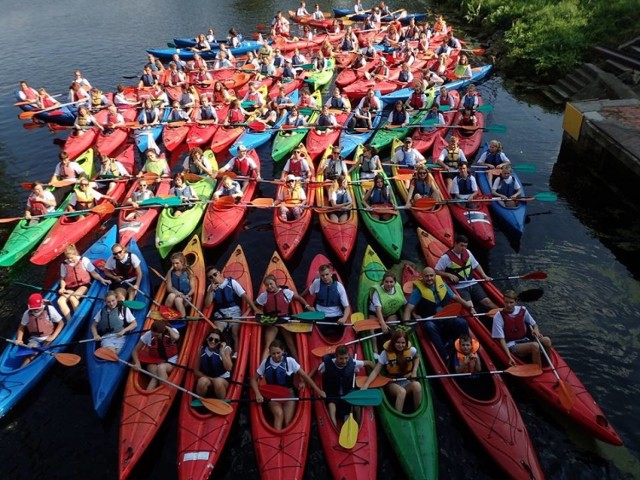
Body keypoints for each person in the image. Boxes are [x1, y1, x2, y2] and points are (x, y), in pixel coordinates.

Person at [251, 339, 325, 430]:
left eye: (278, 352)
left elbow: (305, 376)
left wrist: (318, 390)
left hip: (288, 393)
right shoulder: (266, 362)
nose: (276, 356)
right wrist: (257, 394)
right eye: (273, 353)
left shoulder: (290, 361)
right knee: (279, 414)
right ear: (269, 352)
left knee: (287, 422)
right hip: (272, 394)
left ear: (283, 351)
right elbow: (253, 380)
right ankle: (276, 438)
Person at [403, 266, 471, 361]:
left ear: (435, 276)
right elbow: (408, 309)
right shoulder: (417, 291)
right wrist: (406, 324)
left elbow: (455, 297)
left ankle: (463, 347)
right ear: (422, 277)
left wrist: (469, 306)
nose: (429, 278)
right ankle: (445, 355)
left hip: (446, 317)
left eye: (431, 276)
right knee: (429, 326)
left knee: (462, 322)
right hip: (432, 320)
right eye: (426, 276)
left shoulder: (442, 284)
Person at [310, 345, 374, 427]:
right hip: (332, 393)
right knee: (331, 406)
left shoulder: (353, 362)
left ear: (348, 356)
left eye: (346, 358)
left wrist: (378, 374)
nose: (344, 361)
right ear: (336, 356)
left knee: (357, 407)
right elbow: (316, 369)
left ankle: (359, 427)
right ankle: (334, 428)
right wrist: (306, 381)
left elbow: (369, 363)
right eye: (341, 358)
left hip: (348, 393)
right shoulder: (328, 364)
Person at [361, 330, 422, 412]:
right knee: (402, 392)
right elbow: (375, 371)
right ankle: (398, 416)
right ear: (393, 342)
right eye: (398, 342)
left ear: (406, 343)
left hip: (406, 380)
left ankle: (418, 410)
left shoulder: (411, 350)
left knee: (417, 385)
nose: (401, 345)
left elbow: (417, 358)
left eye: (403, 343)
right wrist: (366, 384)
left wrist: (414, 371)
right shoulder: (385, 354)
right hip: (392, 383)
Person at [434, 234, 498, 311]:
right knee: (471, 307)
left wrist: (484, 275)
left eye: (465, 246)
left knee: (487, 302)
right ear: (455, 244)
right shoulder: (445, 258)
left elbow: (476, 265)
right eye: (461, 245)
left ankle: (501, 312)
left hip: (473, 283)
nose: (463, 248)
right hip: (460, 287)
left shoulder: (468, 252)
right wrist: (449, 275)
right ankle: (475, 317)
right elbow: (436, 271)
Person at [204, 264, 260, 349]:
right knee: (216, 332)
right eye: (210, 277)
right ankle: (219, 349)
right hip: (221, 313)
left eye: (215, 274)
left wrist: (255, 309)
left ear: (219, 273)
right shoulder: (211, 288)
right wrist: (210, 291)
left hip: (235, 311)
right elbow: (207, 304)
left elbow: (244, 296)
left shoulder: (231, 282)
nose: (214, 278)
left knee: (235, 333)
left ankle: (236, 352)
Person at [491, 290, 552, 367]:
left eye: (511, 302)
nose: (508, 305)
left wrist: (536, 330)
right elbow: (501, 339)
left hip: (525, 340)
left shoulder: (522, 310)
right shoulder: (498, 316)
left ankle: (548, 365)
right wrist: (509, 357)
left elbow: (534, 324)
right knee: (535, 346)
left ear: (515, 302)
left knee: (547, 340)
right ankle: (538, 369)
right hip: (511, 344)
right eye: (506, 302)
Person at [254, 275, 308, 360]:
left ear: (276, 283)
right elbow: (254, 303)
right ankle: (261, 368)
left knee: (290, 343)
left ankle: (298, 364)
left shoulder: (286, 292)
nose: (269, 286)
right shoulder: (264, 295)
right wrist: (255, 310)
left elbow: (298, 298)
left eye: (271, 284)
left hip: (284, 320)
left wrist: (307, 305)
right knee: (268, 345)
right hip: (272, 321)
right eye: (267, 285)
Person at [58, 243, 110, 320]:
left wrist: (102, 279)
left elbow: (93, 273)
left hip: (84, 285)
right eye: (68, 258)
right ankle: (69, 321)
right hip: (71, 287)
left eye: (71, 258)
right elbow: (62, 278)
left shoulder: (84, 260)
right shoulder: (64, 264)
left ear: (75, 254)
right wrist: (62, 288)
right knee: (60, 301)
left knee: (73, 297)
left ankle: (78, 319)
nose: (70, 260)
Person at [15, 293, 64, 365]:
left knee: (45, 347)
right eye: (33, 308)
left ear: (42, 303)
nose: (35, 310)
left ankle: (41, 359)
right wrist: (19, 339)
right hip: (34, 338)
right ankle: (20, 369)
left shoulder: (50, 310)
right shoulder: (27, 313)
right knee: (32, 354)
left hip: (49, 336)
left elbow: (61, 323)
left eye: (37, 307)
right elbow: (21, 326)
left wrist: (53, 337)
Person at [302, 263, 351, 335]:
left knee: (340, 332)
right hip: (320, 315)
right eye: (322, 275)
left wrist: (344, 318)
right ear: (320, 276)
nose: (325, 277)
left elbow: (347, 307)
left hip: (336, 315)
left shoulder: (339, 286)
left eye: (327, 274)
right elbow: (309, 291)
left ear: (331, 274)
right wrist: (301, 298)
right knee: (319, 332)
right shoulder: (317, 283)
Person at [132, 320, 180, 391]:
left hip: (170, 361)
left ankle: (164, 391)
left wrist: (167, 328)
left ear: (163, 331)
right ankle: (148, 394)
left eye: (156, 335)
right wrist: (137, 363)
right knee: (155, 376)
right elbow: (135, 351)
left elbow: (176, 337)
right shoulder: (148, 335)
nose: (154, 336)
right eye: (153, 334)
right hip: (154, 360)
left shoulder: (172, 331)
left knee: (161, 368)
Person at [194, 328, 233, 398]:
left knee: (218, 382)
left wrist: (222, 352)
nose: (213, 341)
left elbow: (229, 368)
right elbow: (196, 371)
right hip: (208, 377)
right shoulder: (201, 350)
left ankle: (221, 403)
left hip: (222, 379)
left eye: (216, 340)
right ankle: (201, 401)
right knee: (202, 381)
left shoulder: (226, 350)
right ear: (207, 339)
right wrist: (211, 379)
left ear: (219, 342)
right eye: (211, 339)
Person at [165, 251, 195, 317]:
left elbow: (192, 289)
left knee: (178, 300)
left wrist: (187, 295)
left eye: (177, 263)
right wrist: (177, 292)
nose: (174, 265)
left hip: (187, 297)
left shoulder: (188, 272)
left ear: (182, 262)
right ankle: (167, 315)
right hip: (176, 293)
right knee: (171, 296)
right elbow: (169, 288)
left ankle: (183, 317)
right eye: (173, 263)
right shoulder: (170, 272)